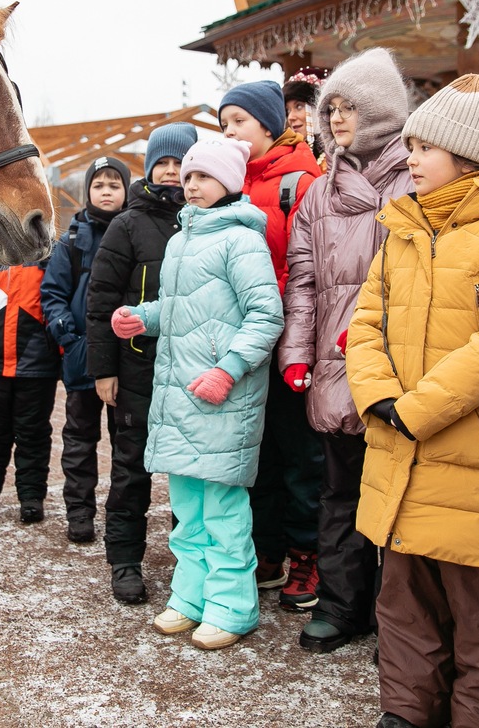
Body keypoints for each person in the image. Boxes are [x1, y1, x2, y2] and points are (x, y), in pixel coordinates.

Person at [347, 72, 479, 728]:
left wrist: (417, 409)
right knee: (403, 603)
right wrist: (377, 397)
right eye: (409, 145)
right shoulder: (400, 230)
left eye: (424, 147)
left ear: (468, 156)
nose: (410, 158)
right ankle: (406, 713)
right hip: (397, 445)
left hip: (467, 458)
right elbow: (365, 323)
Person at [110, 135, 284, 650]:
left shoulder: (241, 240)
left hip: (222, 397)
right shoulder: (182, 240)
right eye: (187, 177)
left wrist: (229, 369)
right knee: (188, 506)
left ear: (229, 182)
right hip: (181, 394)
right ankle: (190, 596)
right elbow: (182, 310)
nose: (191, 186)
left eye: (202, 177)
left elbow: (265, 315)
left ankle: (232, 606)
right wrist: (142, 317)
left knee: (224, 509)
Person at [278, 49, 413, 654]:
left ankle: (399, 615)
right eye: (330, 108)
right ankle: (340, 605)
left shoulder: (416, 181)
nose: (334, 119)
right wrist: (297, 351)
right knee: (340, 493)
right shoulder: (318, 192)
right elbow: (303, 282)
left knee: (401, 498)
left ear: (381, 113)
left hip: (398, 365)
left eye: (348, 108)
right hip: (335, 368)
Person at [219, 79, 325, 610]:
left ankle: (308, 555)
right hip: (246, 342)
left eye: (239, 121)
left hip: (287, 338)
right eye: (224, 124)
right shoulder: (228, 181)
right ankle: (268, 549)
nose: (230, 132)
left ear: (268, 124)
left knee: (298, 451)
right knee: (255, 448)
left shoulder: (302, 180)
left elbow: (310, 267)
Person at [86, 122, 197, 605]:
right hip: (136, 371)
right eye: (164, 164)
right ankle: (125, 561)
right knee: (131, 468)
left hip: (191, 371)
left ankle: (190, 560)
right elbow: (101, 299)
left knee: (191, 471)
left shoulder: (204, 220)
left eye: (180, 164)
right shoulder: (127, 224)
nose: (172, 173)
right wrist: (103, 369)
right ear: (151, 168)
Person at [41, 155, 130, 543]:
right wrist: (71, 340)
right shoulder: (71, 240)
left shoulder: (135, 233)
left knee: (127, 445)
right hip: (81, 360)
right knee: (79, 441)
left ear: (126, 191)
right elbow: (52, 294)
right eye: (99, 185)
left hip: (127, 361)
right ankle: (79, 511)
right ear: (88, 191)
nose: (106, 191)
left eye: (114, 184)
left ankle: (122, 516)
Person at [0, 253, 61, 523]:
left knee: (33, 433)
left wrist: (63, 352)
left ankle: (31, 495)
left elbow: (59, 303)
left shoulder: (48, 257)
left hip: (38, 365)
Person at [283, 67, 327, 162]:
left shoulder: (339, 155)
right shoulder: (287, 154)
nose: (291, 117)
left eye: (299, 107)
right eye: (288, 110)